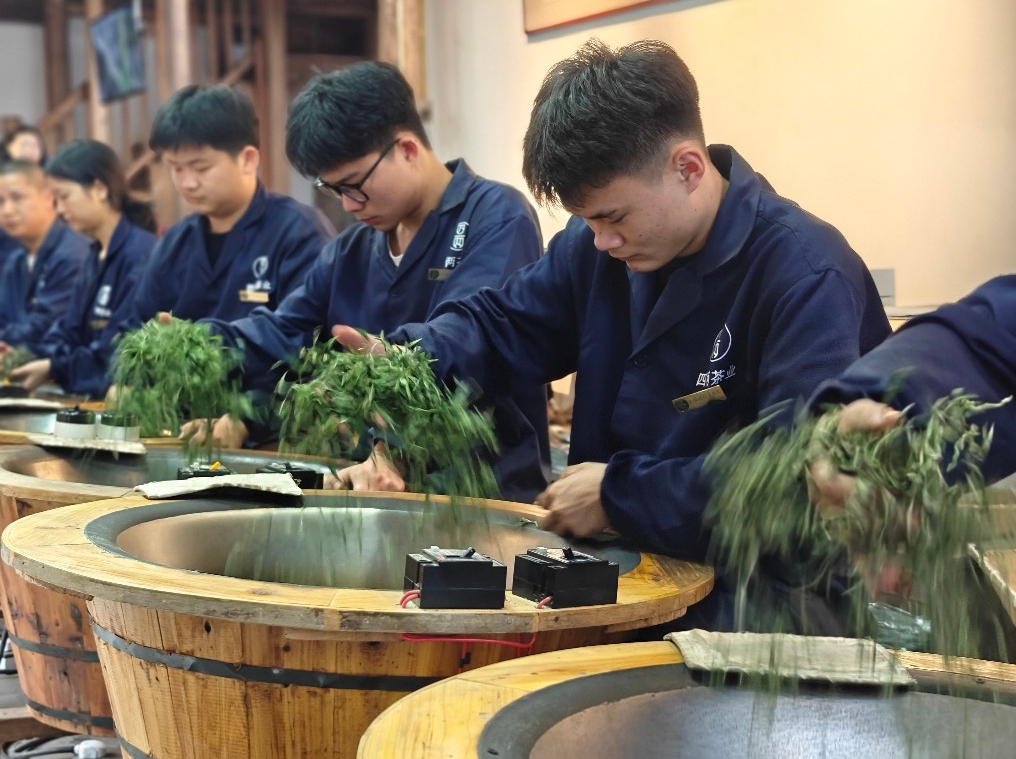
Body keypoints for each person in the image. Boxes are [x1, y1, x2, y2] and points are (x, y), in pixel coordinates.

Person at [332, 39, 891, 631]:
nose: (602, 241)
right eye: (587, 221)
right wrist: (414, 360)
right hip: (624, 578)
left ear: (687, 168)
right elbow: (506, 323)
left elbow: (795, 475)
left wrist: (617, 495)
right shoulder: (596, 249)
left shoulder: (805, 273)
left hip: (764, 609)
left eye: (614, 218)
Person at [200, 62, 551, 501]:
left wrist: (399, 439)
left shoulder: (496, 217)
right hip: (371, 489)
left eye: (354, 185)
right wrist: (204, 345)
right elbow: (284, 333)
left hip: (480, 496)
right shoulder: (350, 250)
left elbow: (473, 347)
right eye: (334, 190)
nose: (348, 205)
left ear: (406, 149)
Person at [129, 84, 332, 326]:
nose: (188, 183)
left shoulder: (298, 232)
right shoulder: (173, 244)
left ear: (248, 159)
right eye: (176, 168)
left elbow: (303, 331)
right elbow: (136, 325)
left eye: (201, 167)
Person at [4, 140, 157, 398]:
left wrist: (55, 366)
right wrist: (31, 355)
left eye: (64, 196)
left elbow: (117, 347)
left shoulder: (140, 254)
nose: (59, 209)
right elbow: (68, 329)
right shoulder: (94, 254)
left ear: (99, 189)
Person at [0, 161, 90, 348]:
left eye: (17, 198)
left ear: (48, 198)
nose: (7, 210)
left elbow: (44, 329)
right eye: (0, 202)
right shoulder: (15, 261)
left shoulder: (73, 254)